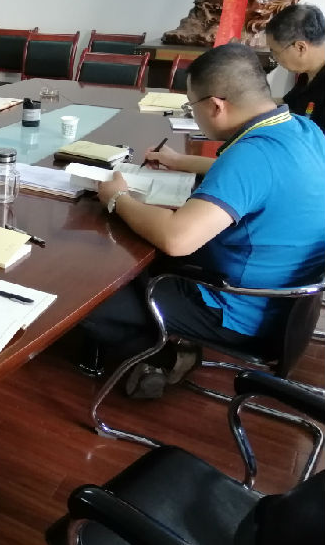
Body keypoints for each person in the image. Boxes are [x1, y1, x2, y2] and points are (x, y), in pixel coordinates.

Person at [82, 43, 325, 398]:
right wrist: (181, 162)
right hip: (287, 303)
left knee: (86, 301)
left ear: (215, 105)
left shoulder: (252, 156)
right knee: (135, 254)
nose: (193, 114)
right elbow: (261, 178)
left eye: (191, 106)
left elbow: (177, 238)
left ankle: (166, 356)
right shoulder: (302, 129)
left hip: (239, 307)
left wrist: (117, 198)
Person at [265, 3, 325, 129]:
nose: (275, 58)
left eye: (275, 52)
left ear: (300, 47)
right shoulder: (307, 73)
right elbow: (289, 104)